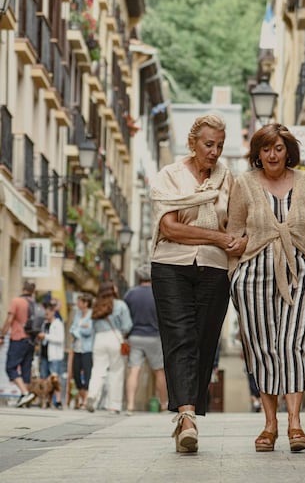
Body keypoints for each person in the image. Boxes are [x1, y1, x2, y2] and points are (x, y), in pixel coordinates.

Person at [227, 123, 305, 453]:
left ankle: (295, 422)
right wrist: (235, 278)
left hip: (301, 274)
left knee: (293, 343)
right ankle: (270, 425)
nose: (271, 155)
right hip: (253, 277)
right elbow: (234, 231)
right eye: (265, 149)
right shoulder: (244, 183)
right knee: (263, 348)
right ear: (257, 154)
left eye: (278, 148)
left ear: (288, 151)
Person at [150, 113, 245, 453]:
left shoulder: (227, 178)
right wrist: (217, 238)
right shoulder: (169, 176)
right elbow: (170, 228)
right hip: (170, 265)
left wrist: (237, 242)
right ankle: (186, 418)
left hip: (215, 269)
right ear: (192, 143)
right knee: (180, 338)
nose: (215, 152)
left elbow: (237, 225)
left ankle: (186, 413)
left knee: (204, 342)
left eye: (220, 145)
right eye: (209, 144)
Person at [123, 265, 168, 415]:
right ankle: (164, 405)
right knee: (159, 371)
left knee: (134, 370)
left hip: (135, 336)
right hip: (154, 337)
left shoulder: (130, 294)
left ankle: (130, 405)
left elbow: (125, 316)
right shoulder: (159, 293)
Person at [86, 281, 133, 414]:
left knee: (97, 370)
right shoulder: (120, 305)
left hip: (99, 339)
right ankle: (113, 405)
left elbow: (92, 327)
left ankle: (92, 396)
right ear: (112, 289)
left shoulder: (96, 305)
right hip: (115, 338)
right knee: (116, 372)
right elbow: (127, 325)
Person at [0, 281, 37, 407]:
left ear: (23, 288)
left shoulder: (17, 301)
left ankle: (25, 393)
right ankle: (24, 398)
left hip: (18, 337)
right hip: (31, 340)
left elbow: (10, 319)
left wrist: (2, 334)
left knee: (10, 367)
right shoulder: (34, 303)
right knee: (26, 368)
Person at [38, 302, 65, 408]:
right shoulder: (44, 324)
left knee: (55, 379)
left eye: (48, 314)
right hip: (44, 354)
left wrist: (46, 336)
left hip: (54, 356)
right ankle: (45, 401)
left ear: (53, 312)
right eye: (45, 314)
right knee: (44, 379)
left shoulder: (58, 324)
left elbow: (60, 339)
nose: (46, 316)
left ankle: (58, 401)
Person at [69, 293, 94, 409]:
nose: (78, 304)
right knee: (76, 374)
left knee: (88, 375)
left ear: (86, 303)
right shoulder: (77, 314)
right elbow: (72, 329)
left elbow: (89, 331)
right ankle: (82, 396)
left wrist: (78, 331)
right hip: (77, 348)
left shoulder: (91, 315)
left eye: (80, 301)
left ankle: (84, 400)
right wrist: (80, 329)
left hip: (87, 349)